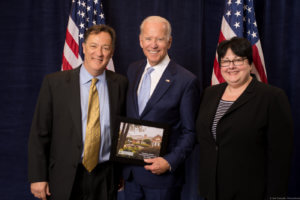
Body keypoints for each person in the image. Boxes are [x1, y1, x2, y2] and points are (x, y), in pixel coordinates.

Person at [28, 24, 128, 200]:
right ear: (83, 47)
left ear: (112, 52)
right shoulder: (55, 84)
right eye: (93, 46)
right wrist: (38, 177)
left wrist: (122, 171)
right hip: (65, 176)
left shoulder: (120, 84)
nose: (99, 53)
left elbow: (123, 132)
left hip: (105, 177)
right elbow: (40, 133)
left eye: (105, 48)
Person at [196, 37, 293, 200]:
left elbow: (280, 157)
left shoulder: (271, 97)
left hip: (250, 191)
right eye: (225, 61)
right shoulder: (210, 93)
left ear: (250, 63)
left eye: (238, 60)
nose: (231, 66)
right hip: (211, 189)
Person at [123, 16, 200, 200]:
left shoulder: (186, 80)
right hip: (131, 176)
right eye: (148, 39)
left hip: (162, 181)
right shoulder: (132, 70)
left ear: (169, 41)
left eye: (160, 39)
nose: (154, 45)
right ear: (141, 41)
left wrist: (169, 161)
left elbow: (190, 131)